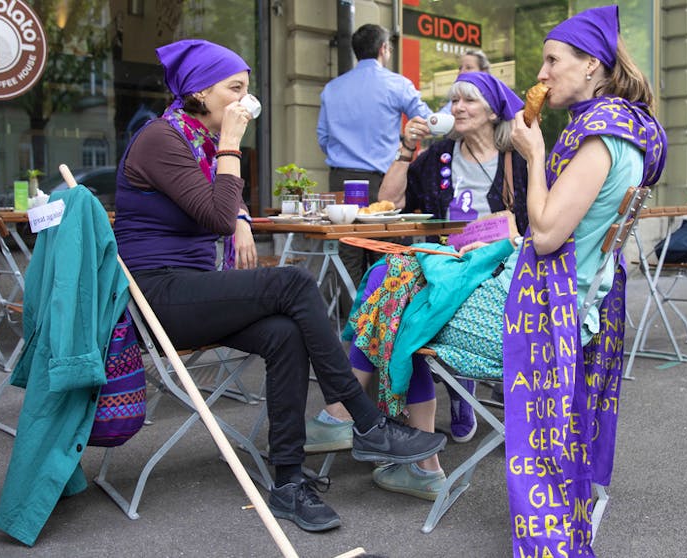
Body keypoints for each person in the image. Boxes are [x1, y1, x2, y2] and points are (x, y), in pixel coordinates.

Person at [111, 39, 446, 533]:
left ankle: (288, 481)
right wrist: (231, 152)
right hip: (154, 298)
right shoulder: (161, 139)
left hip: (195, 288)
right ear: (199, 91)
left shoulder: (199, 145)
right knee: (293, 282)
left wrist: (243, 214)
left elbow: (225, 207)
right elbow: (218, 213)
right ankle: (367, 422)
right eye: (235, 88)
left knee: (285, 335)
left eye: (248, 88)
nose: (245, 100)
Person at [344, 5, 668, 504]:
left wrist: (535, 154)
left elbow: (546, 235)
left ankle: (382, 436)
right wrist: (509, 241)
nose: (541, 74)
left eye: (552, 61)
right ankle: (368, 424)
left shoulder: (603, 134)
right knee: (402, 273)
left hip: (541, 316)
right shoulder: (626, 127)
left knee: (397, 290)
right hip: (561, 299)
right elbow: (562, 231)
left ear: (591, 64)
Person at [305, 72, 528, 459]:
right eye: (454, 100)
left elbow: (539, 224)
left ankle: (349, 411)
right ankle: (393, 420)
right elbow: (387, 201)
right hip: (446, 261)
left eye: (468, 101)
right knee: (389, 278)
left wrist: (504, 236)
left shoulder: (518, 158)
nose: (457, 108)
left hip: (500, 270)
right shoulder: (440, 154)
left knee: (390, 282)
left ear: (493, 112)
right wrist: (407, 149)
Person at [318, 24, 433, 300]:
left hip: (342, 180)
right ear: (384, 49)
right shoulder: (397, 84)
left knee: (347, 253)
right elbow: (427, 122)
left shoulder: (332, 89)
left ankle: (350, 329)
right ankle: (381, 327)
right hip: (384, 181)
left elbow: (323, 137)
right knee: (386, 253)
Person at [437, 50, 491, 114]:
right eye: (460, 68)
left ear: (483, 72)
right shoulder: (456, 97)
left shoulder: (491, 98)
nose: (462, 72)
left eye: (468, 67)